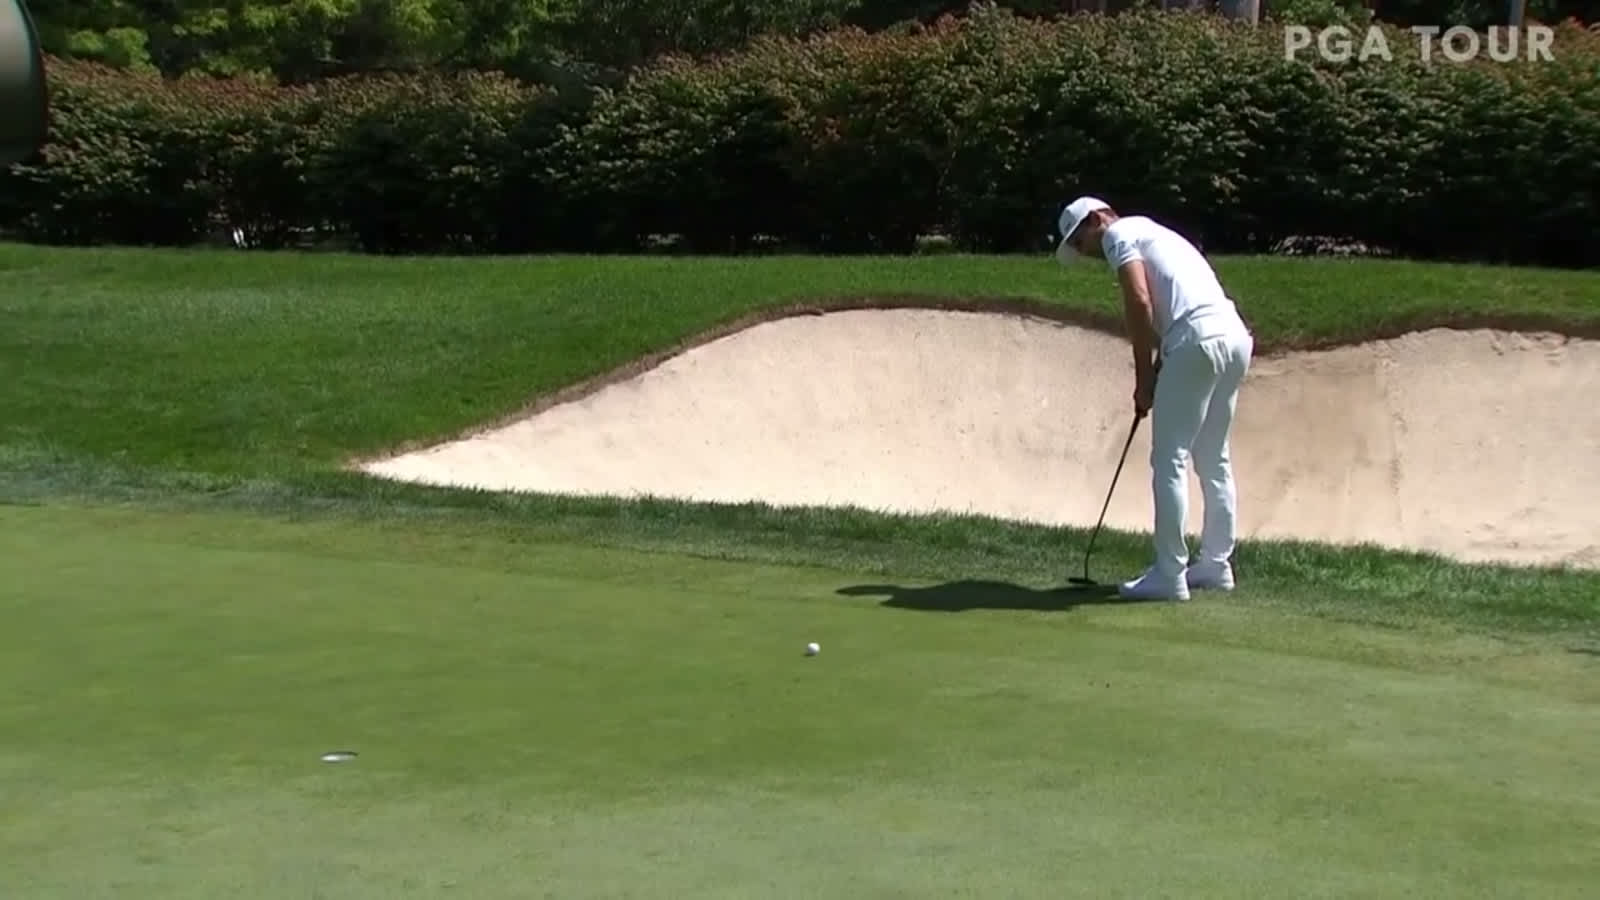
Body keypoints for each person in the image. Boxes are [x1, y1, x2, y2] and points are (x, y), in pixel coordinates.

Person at [1054, 196, 1254, 601]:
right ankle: (1216, 566)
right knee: (1213, 457)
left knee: (1170, 459)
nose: (1085, 253)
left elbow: (1139, 301)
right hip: (1233, 337)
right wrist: (1164, 357)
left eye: (1079, 242)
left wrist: (1144, 377)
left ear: (1095, 219)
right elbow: (1177, 300)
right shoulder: (1157, 232)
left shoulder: (1118, 234)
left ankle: (1169, 573)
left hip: (1198, 338)